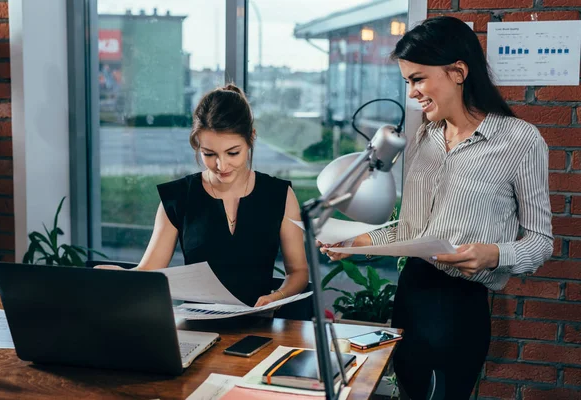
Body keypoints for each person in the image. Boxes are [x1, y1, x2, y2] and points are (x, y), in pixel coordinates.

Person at [321, 16, 553, 399]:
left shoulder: (520, 141)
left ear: (458, 71)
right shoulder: (422, 138)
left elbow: (542, 242)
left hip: (462, 307)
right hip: (412, 294)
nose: (412, 93)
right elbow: (412, 231)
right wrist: (355, 242)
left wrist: (494, 254)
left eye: (418, 79)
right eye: (407, 81)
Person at [98, 84, 309, 307]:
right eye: (209, 154)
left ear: (251, 138)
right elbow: (149, 272)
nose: (221, 165)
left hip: (262, 329)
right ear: (197, 145)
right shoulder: (178, 197)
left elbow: (298, 272)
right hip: (198, 329)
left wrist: (276, 297)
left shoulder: (279, 195)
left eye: (233, 153)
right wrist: (123, 276)